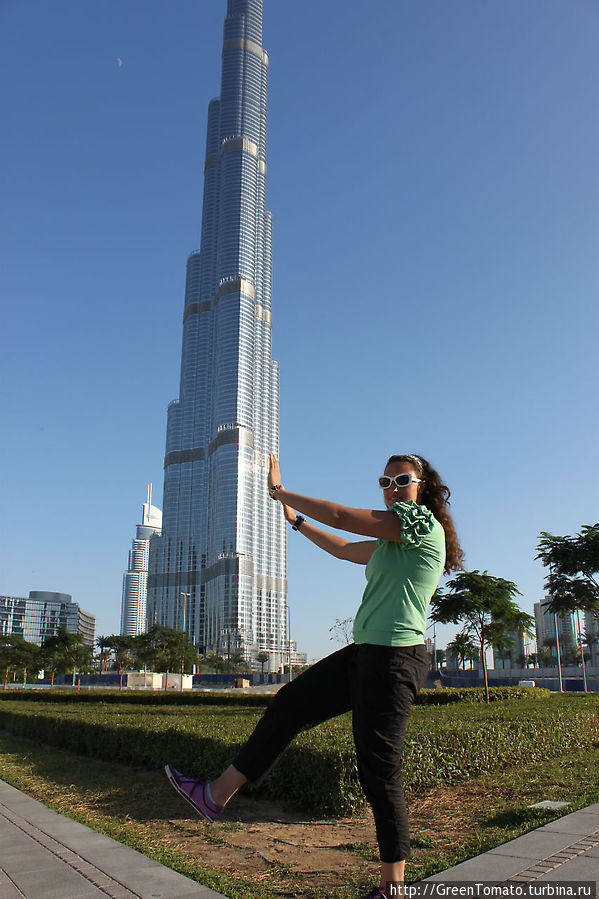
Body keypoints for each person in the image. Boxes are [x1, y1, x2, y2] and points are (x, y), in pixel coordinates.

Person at [165, 452, 465, 898]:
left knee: (379, 773)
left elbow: (344, 518)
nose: (392, 487)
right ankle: (215, 795)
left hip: (394, 660)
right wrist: (296, 521)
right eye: (385, 481)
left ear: (423, 486)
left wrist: (282, 492)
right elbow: (344, 548)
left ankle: (393, 888)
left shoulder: (421, 527)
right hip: (365, 654)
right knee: (289, 703)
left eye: (402, 479)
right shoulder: (392, 540)